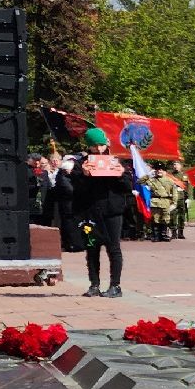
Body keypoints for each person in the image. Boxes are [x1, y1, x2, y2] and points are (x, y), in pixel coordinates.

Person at [68, 127, 136, 297]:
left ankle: (115, 286)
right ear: (88, 146)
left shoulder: (116, 162)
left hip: (112, 212)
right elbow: (76, 189)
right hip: (89, 214)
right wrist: (83, 175)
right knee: (92, 247)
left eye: (101, 145)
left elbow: (128, 187)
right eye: (94, 146)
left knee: (113, 248)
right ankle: (94, 285)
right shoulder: (81, 163)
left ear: (106, 143)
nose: (98, 149)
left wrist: (120, 175)